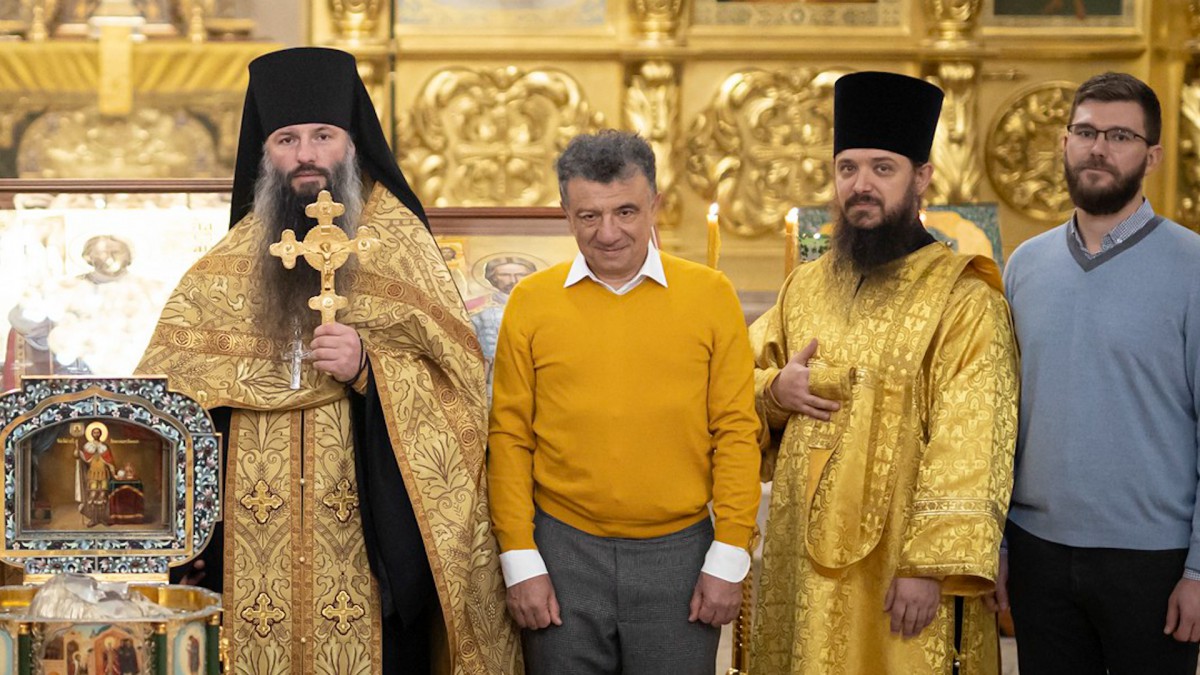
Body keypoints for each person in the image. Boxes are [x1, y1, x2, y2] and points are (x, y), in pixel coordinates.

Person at [137, 47, 520, 674]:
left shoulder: (401, 246)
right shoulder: (222, 270)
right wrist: (191, 532)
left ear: (352, 143)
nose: (306, 154)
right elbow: (168, 409)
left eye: (323, 135)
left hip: (369, 550)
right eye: (287, 139)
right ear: (265, 153)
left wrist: (371, 367)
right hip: (248, 550)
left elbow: (460, 389)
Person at [747, 71, 1019, 674]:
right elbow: (740, 377)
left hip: (901, 571)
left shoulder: (964, 299)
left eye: (882, 168)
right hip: (801, 566)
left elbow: (973, 438)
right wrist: (775, 391)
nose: (861, 185)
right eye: (847, 168)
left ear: (921, 177)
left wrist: (930, 565)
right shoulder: (805, 286)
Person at [488, 130, 761, 674]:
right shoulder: (531, 302)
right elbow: (510, 436)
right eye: (589, 216)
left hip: (680, 557)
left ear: (655, 204)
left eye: (626, 212)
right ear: (566, 214)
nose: (608, 232)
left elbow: (735, 430)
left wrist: (729, 555)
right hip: (560, 554)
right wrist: (519, 559)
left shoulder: (710, 295)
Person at [999, 72, 1200, 674]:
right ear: (1065, 142)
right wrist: (998, 545)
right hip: (1037, 554)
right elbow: (1000, 419)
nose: (1098, 148)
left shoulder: (1192, 266)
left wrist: (1198, 570)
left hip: (1154, 561)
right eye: (1085, 132)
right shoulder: (1025, 266)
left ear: (1152, 156)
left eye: (1120, 136)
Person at [469, 256, 537, 396]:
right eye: (505, 275)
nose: (513, 280)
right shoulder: (478, 311)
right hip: (493, 379)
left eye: (521, 274)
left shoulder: (544, 307)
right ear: (492, 278)